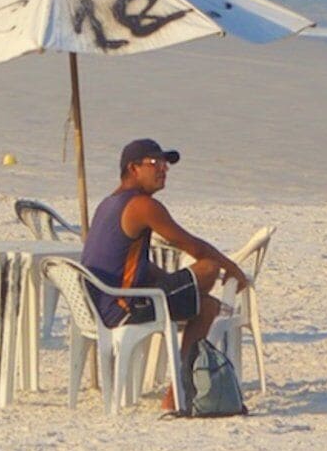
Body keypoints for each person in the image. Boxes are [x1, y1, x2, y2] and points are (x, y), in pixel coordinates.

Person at [79, 137, 246, 408]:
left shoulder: (109, 203)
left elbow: (132, 265)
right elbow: (193, 246)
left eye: (165, 164)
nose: (163, 170)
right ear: (133, 169)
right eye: (154, 163)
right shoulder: (142, 206)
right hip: (122, 306)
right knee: (208, 269)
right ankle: (181, 387)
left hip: (100, 304)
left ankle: (176, 393)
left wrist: (169, 282)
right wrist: (233, 269)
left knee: (207, 307)